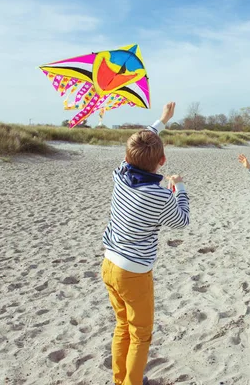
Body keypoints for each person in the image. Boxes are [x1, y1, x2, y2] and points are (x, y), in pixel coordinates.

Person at [101, 102, 190, 385]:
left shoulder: (121, 174)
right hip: (133, 272)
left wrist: (162, 121)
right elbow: (182, 220)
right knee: (141, 333)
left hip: (109, 263)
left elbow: (139, 145)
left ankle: (121, 380)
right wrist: (179, 188)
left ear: (128, 157)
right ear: (162, 161)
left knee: (122, 326)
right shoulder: (159, 196)